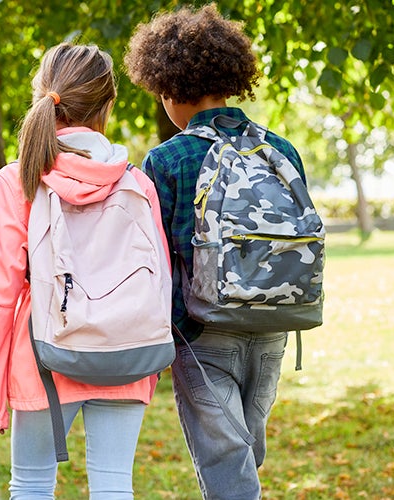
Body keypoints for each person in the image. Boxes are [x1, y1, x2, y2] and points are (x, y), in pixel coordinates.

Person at [0, 43, 169, 499]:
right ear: (108, 105)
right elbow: (159, 282)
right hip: (126, 353)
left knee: (32, 485)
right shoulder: (137, 183)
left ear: (43, 97)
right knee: (115, 485)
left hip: (42, 356)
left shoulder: (17, 180)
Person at [124, 5, 308, 499]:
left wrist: (175, 331)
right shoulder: (281, 151)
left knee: (227, 458)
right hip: (274, 322)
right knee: (246, 451)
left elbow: (155, 260)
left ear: (168, 89)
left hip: (204, 332)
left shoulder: (167, 159)